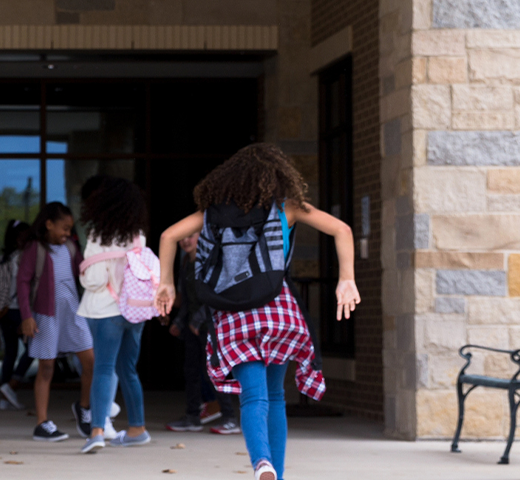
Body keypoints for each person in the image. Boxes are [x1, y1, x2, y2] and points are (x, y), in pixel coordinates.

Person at [156, 143, 360, 480]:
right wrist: (347, 279)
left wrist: (167, 283)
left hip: (232, 315)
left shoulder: (211, 212)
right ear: (278, 177)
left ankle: (260, 462)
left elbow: (167, 235)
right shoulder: (287, 207)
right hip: (278, 311)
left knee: (253, 396)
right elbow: (343, 229)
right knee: (276, 396)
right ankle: (275, 472)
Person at [76, 177, 151, 454]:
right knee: (128, 370)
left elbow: (93, 280)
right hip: (135, 310)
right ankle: (137, 428)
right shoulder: (138, 235)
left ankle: (96, 431)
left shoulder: (98, 234)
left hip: (104, 310)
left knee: (103, 369)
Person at [15, 202, 96, 442]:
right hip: (46, 316)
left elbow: (85, 271)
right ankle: (42, 423)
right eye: (64, 228)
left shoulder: (71, 247)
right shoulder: (35, 249)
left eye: (70, 229)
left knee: (90, 362)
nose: (66, 233)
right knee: (46, 368)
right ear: (48, 224)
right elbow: (23, 282)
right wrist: (26, 316)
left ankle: (84, 407)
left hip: (74, 314)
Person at [162, 232, 239, 435]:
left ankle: (230, 417)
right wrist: (179, 321)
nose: (185, 241)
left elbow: (215, 296)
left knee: (213, 371)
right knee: (191, 371)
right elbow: (187, 299)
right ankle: (192, 417)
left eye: (190, 236)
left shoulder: (210, 261)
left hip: (211, 326)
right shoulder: (187, 261)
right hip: (192, 327)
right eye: (182, 237)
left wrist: (198, 320)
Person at [0, 221, 34, 409]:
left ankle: (4, 397)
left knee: (10, 352)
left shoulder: (4, 258)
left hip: (4, 310)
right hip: (19, 310)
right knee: (34, 347)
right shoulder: (23, 258)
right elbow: (24, 286)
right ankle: (12, 384)